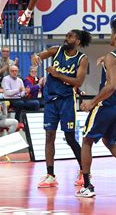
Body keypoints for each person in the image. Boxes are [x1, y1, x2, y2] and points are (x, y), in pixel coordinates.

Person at [76, 18, 116, 198]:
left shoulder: (113, 57)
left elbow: (111, 86)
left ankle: (87, 186)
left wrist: (92, 102)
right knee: (109, 141)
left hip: (107, 104)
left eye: (111, 32)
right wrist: (107, 60)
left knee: (87, 141)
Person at [32, 30, 91, 188]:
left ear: (77, 41)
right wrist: (36, 57)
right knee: (49, 137)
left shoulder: (82, 59)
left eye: (70, 36)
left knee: (70, 138)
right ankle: (50, 175)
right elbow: (39, 55)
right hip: (51, 101)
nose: (67, 38)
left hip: (66, 101)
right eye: (67, 35)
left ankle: (84, 171)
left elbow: (78, 81)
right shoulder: (56, 51)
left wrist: (57, 75)